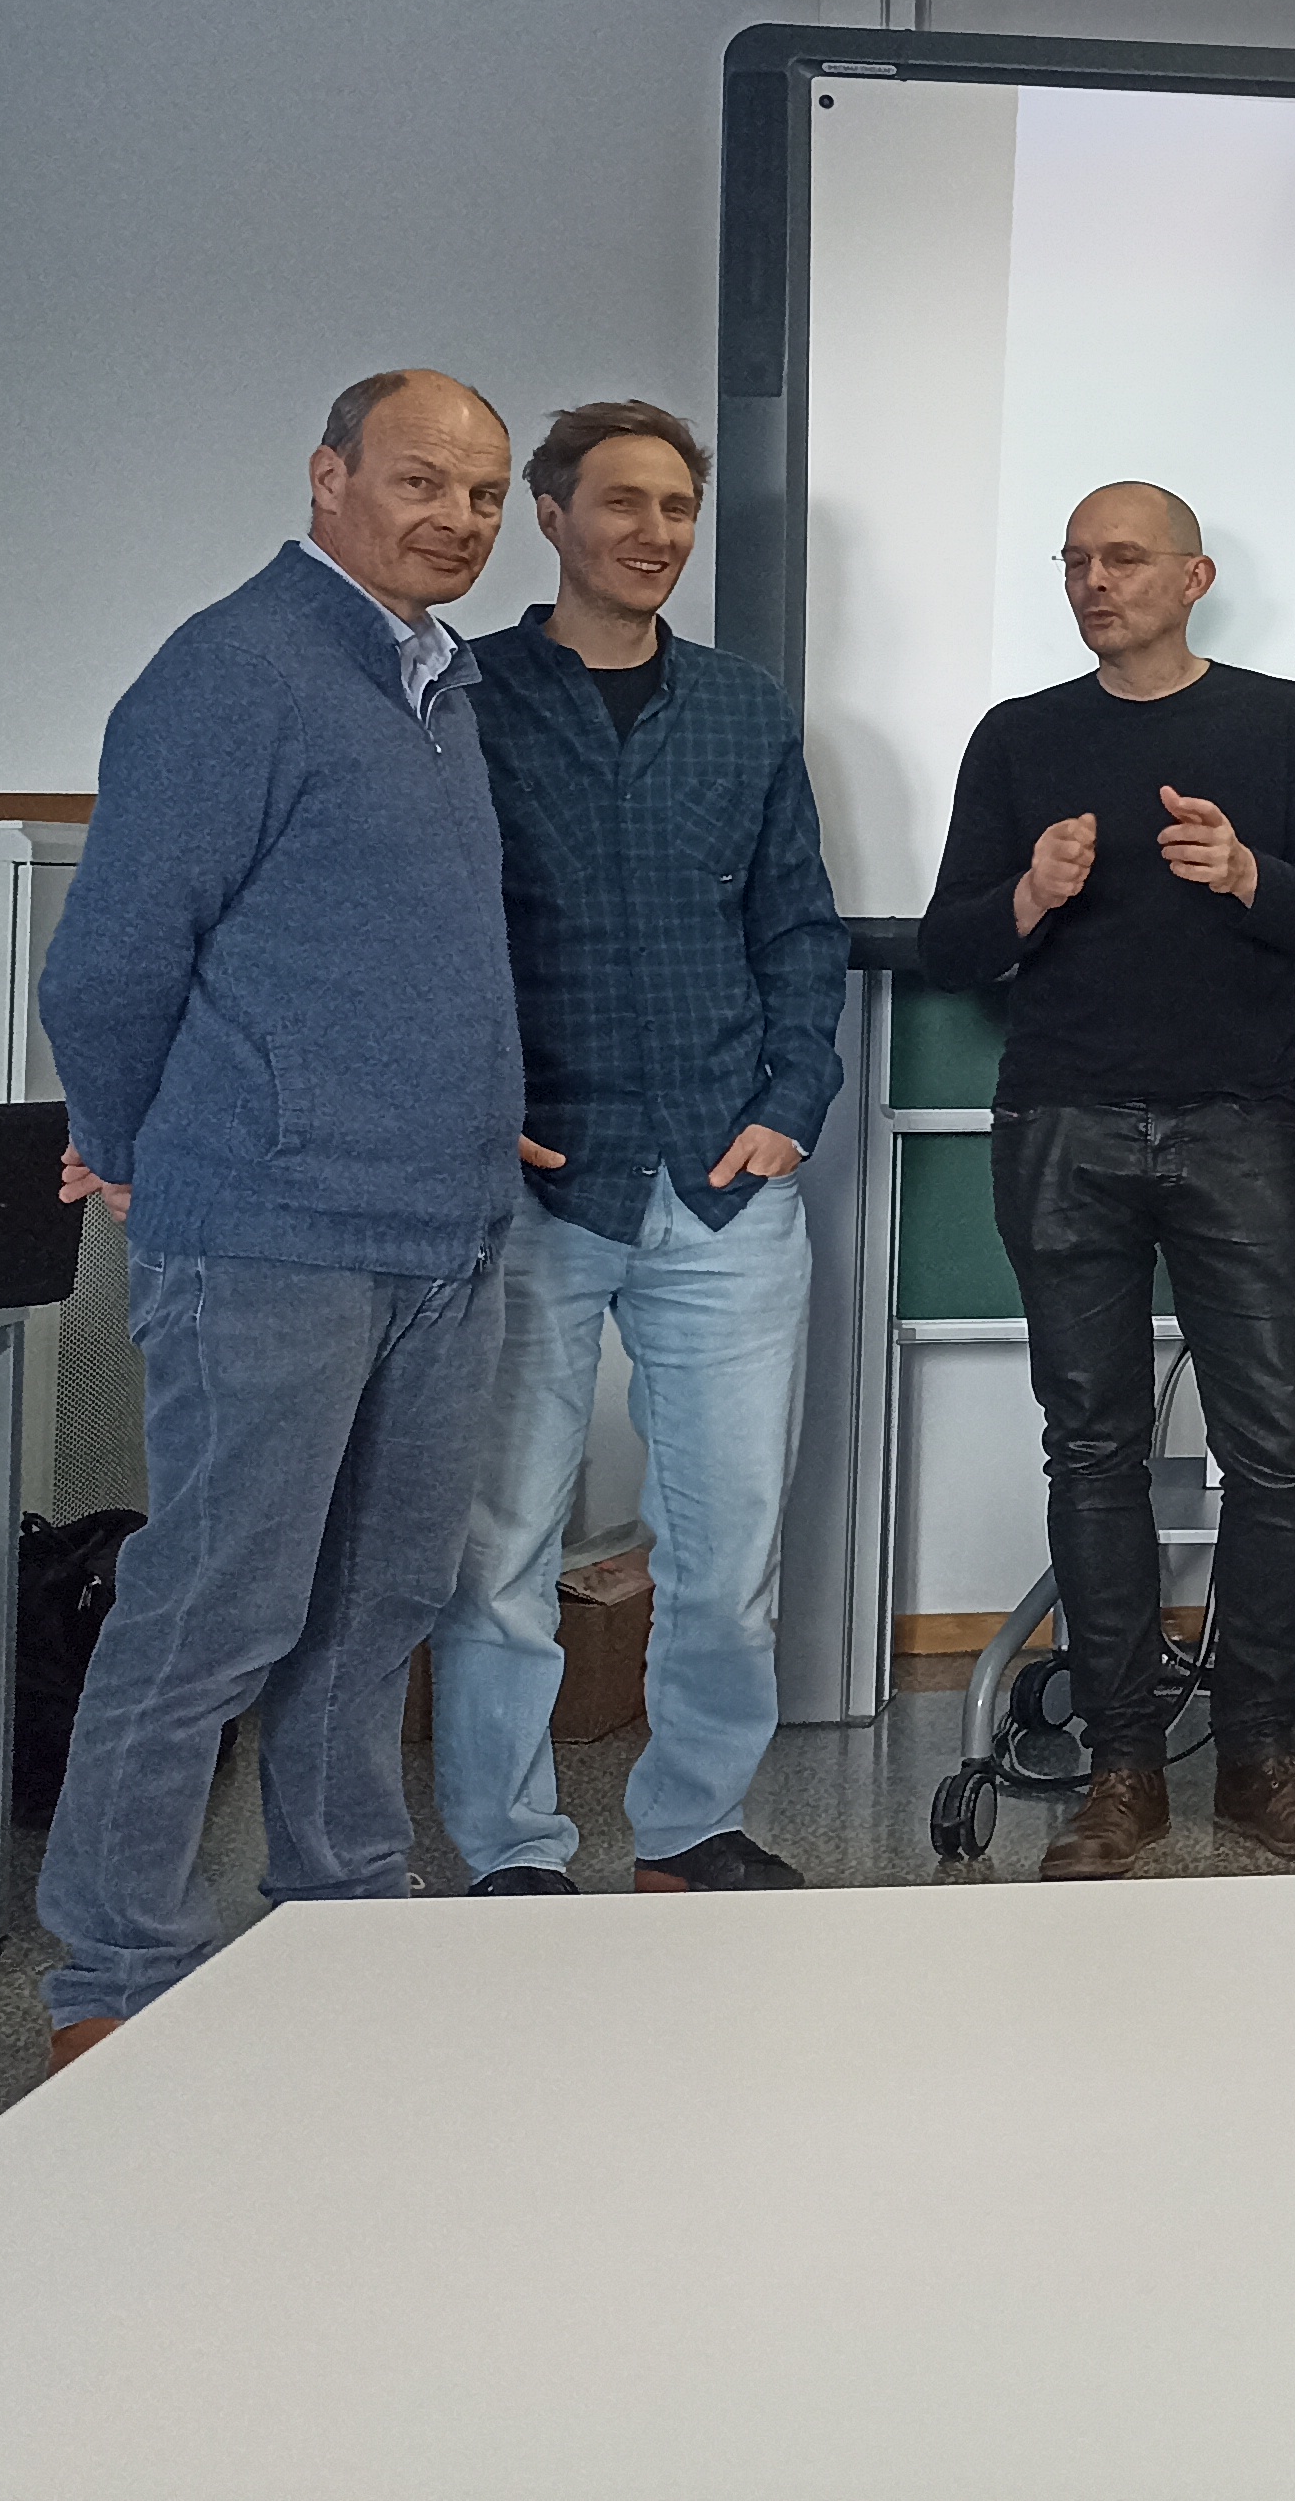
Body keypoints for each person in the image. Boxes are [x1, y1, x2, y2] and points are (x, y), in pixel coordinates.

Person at [32, 370, 528, 2060]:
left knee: (379, 1606)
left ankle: (344, 1918)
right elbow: (108, 961)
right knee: (217, 1608)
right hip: (267, 1232)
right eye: (420, 479)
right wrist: (128, 1144)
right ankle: (117, 1976)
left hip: (443, 1232)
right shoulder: (232, 668)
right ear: (328, 476)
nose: (457, 516)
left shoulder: (439, 684)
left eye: (483, 492)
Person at [919, 481, 1295, 1879]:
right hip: (1062, 1124)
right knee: (1093, 1447)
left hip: (1236, 1123)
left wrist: (1246, 875)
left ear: (1194, 578)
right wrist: (1028, 897)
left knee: (1277, 1451)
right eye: (1074, 561)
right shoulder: (1020, 735)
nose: (1093, 581)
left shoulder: (1283, 721)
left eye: (1121, 558)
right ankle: (1123, 1768)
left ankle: (1256, 1755)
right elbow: (948, 947)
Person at [431, 398, 846, 1900]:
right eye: (622, 503)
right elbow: (419, 927)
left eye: (677, 508)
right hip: (531, 1185)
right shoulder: (462, 697)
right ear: (550, 517)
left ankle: (689, 1828)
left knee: (726, 1553)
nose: (655, 533)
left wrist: (790, 1108)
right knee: (500, 1552)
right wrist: (468, 1103)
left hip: (724, 1184)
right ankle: (509, 1850)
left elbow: (797, 927)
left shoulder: (743, 707)